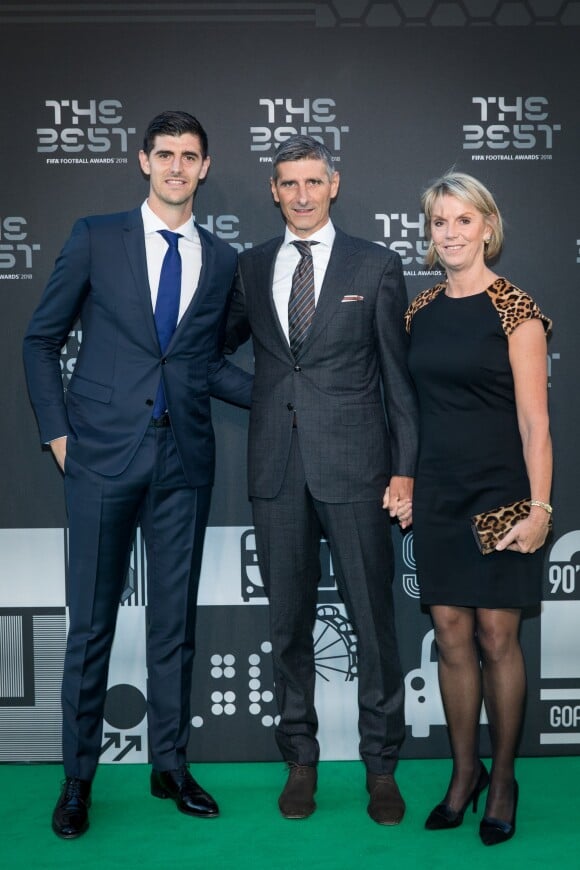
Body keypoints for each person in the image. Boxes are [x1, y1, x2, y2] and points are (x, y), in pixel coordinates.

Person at [23, 110, 253, 839]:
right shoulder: (97, 237)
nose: (178, 167)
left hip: (184, 463)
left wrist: (290, 393)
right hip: (98, 459)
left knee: (174, 625)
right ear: (143, 161)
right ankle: (78, 779)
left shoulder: (221, 260)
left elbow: (207, 363)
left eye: (191, 156)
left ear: (205, 168)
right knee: (90, 627)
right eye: (166, 155)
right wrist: (59, 434)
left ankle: (170, 765)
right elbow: (40, 340)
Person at [225, 135, 418, 824]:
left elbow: (400, 380)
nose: (302, 195)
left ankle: (381, 767)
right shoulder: (249, 267)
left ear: (334, 184)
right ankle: (299, 760)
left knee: (374, 624)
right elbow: (211, 350)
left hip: (359, 469)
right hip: (276, 469)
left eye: (313, 181)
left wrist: (405, 469)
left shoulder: (377, 262)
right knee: (287, 627)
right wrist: (263, 397)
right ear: (273, 190)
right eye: (288, 183)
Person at [404, 171, 552, 846]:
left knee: (498, 637)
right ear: (430, 234)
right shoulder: (419, 311)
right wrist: (405, 480)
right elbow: (409, 412)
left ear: (487, 227)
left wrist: (541, 507)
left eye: (464, 220)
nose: (452, 232)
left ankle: (503, 780)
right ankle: (464, 773)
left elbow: (535, 425)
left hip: (501, 494)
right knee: (452, 638)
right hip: (437, 494)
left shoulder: (515, 308)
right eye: (440, 223)